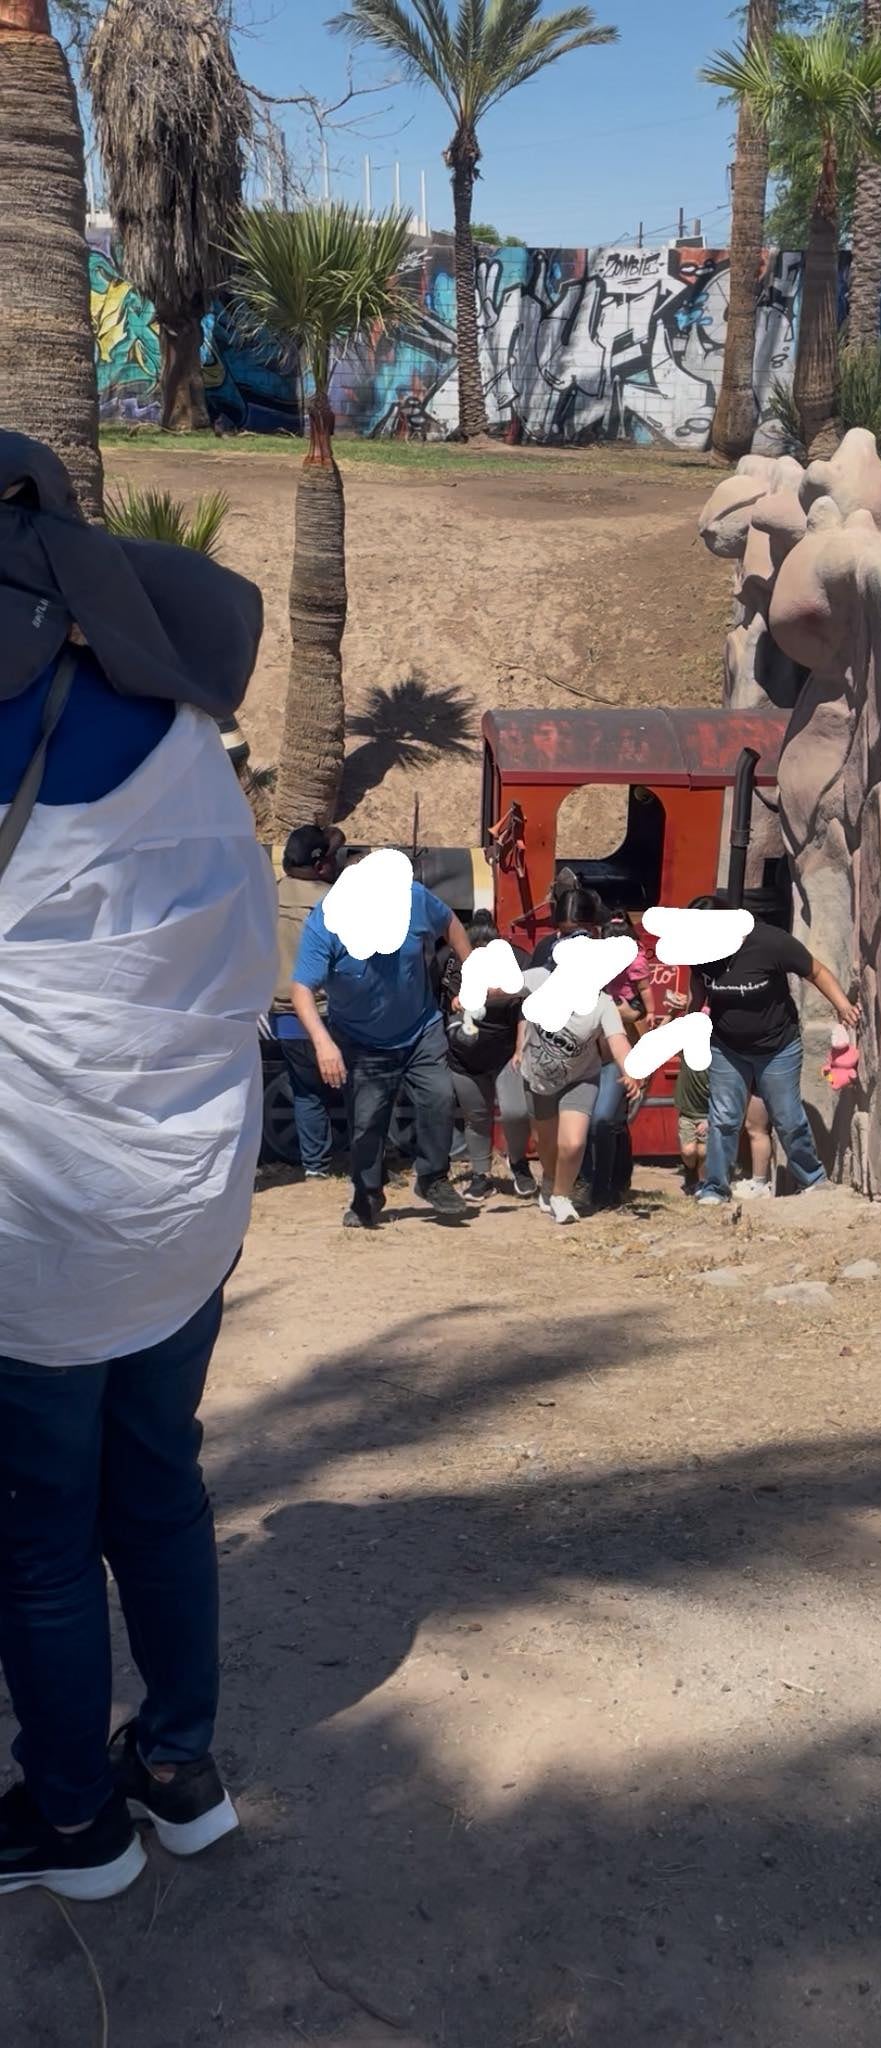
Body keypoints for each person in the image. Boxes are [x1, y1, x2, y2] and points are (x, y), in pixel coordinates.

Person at [0, 430, 276, 1898]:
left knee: (39, 1535)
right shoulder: (179, 728)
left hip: (34, 1226)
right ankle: (179, 1772)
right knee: (159, 1484)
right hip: (184, 1198)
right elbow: (236, 959)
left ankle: (75, 1827)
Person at [291, 871, 472, 1228]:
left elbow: (450, 923)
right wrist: (323, 1043)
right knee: (367, 1123)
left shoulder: (413, 898)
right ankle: (369, 1194)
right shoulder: (324, 924)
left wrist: (472, 975)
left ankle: (433, 1178)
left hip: (421, 1029)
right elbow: (301, 990)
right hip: (360, 1040)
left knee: (438, 1097)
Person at [677, 895, 859, 1204]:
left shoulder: (770, 942)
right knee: (723, 1118)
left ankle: (813, 1180)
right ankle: (715, 1188)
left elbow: (815, 971)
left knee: (787, 1116)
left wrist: (842, 1005)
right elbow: (698, 991)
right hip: (726, 1047)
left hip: (778, 1047)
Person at [517, 902, 642, 1225]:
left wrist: (630, 1070)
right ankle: (549, 1179)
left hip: (581, 1078)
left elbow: (618, 1040)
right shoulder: (539, 980)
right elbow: (503, 986)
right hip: (539, 1077)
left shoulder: (602, 1004)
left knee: (572, 1143)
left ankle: (561, 1196)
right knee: (546, 1144)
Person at [435, 911, 535, 1202]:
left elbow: (526, 1008)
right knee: (476, 1117)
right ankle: (481, 1175)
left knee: (516, 1112)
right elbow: (437, 1003)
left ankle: (519, 1162)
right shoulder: (449, 963)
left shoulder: (518, 961)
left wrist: (520, 1048)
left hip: (505, 1051)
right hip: (464, 1055)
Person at [269, 824, 345, 1177]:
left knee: (305, 1090)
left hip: (285, 1016)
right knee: (360, 1086)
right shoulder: (334, 902)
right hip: (331, 1014)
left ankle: (315, 1166)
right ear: (320, 865)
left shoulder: (270, 896)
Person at [588, 910, 656, 1208]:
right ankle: (612, 1182)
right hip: (595, 1050)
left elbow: (642, 1001)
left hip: (620, 1051)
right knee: (611, 1119)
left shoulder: (635, 965)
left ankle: (604, 1186)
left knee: (605, 1119)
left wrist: (642, 1012)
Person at [675, 1051, 710, 1195]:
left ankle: (701, 1182)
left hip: (707, 1115)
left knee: (703, 1152)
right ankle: (690, 1173)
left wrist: (710, 1120)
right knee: (688, 1151)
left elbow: (723, 1096)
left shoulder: (717, 1064)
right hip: (687, 1113)